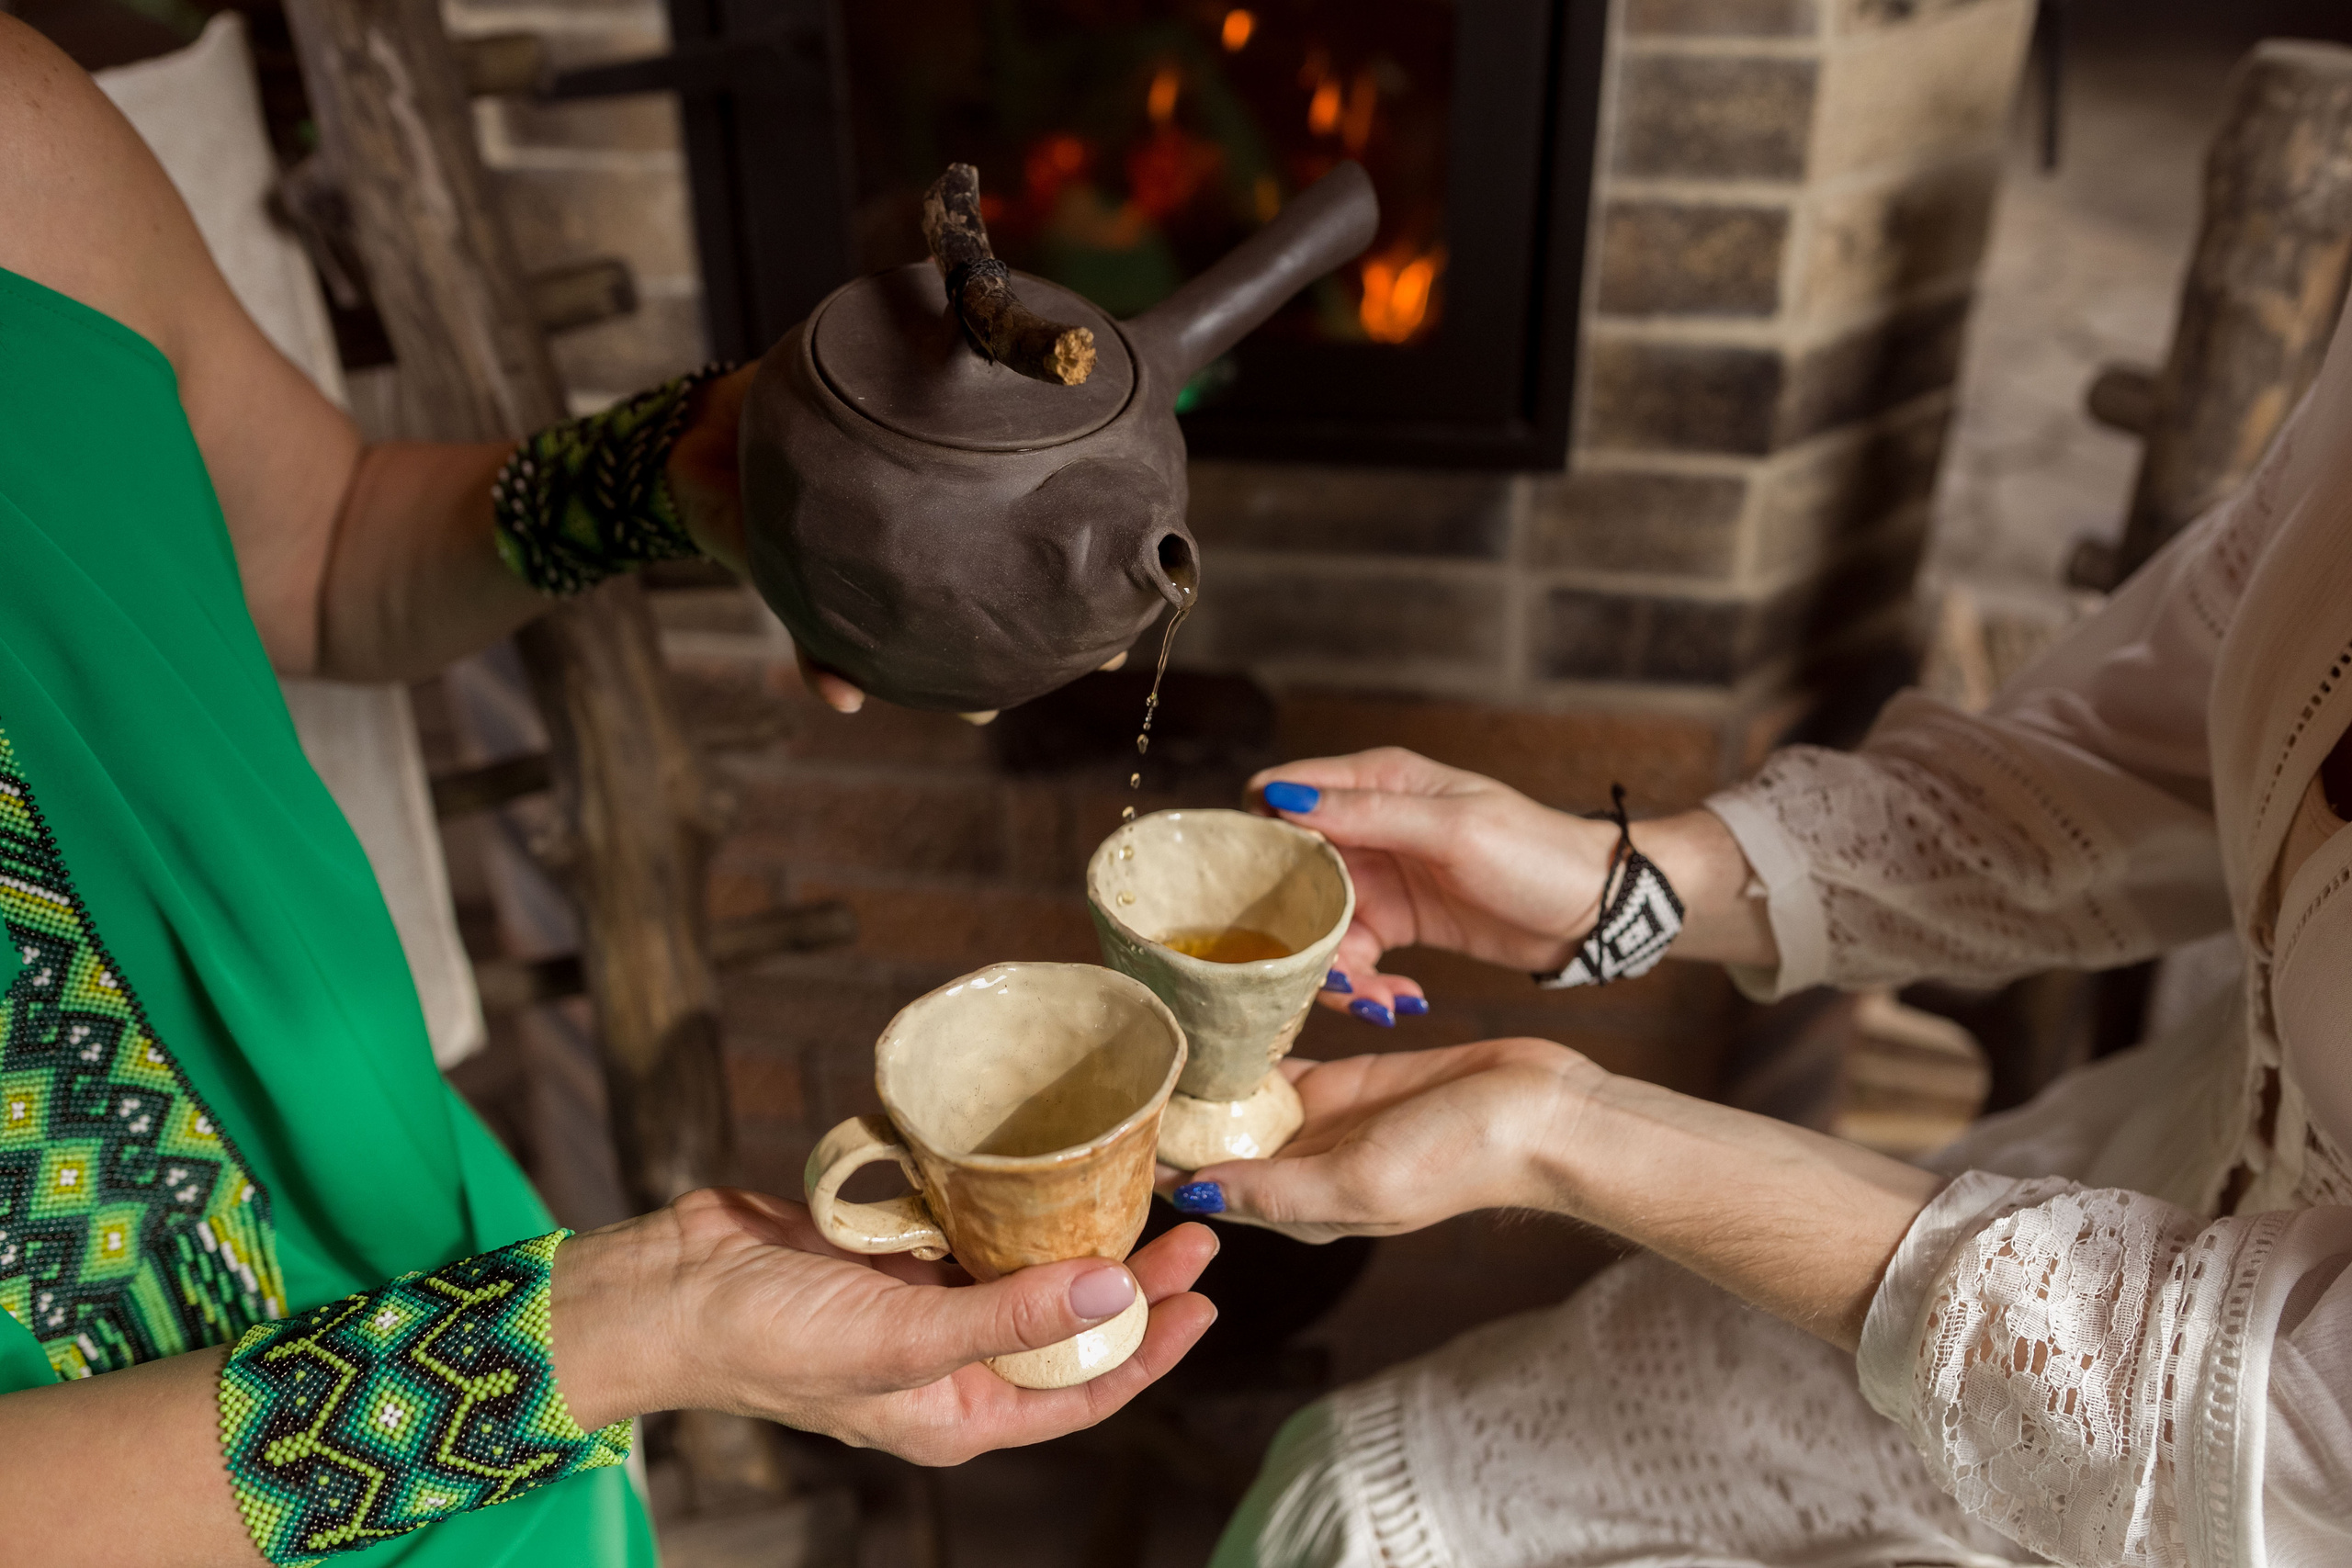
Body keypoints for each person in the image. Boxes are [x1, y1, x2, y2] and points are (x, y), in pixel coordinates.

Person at [0, 17, 1216, 1566]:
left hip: (442, 1269)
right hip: (468, 1384)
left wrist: (668, 470)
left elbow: (318, 543)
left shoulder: (15, 126)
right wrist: (613, 1332)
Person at [1177, 327, 2352, 1563]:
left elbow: (2289, 1436)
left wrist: (1567, 1130)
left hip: (2210, 1442)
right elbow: (2130, 761)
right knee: (1365, 1505)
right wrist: (1621, 885)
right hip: (2125, 1195)